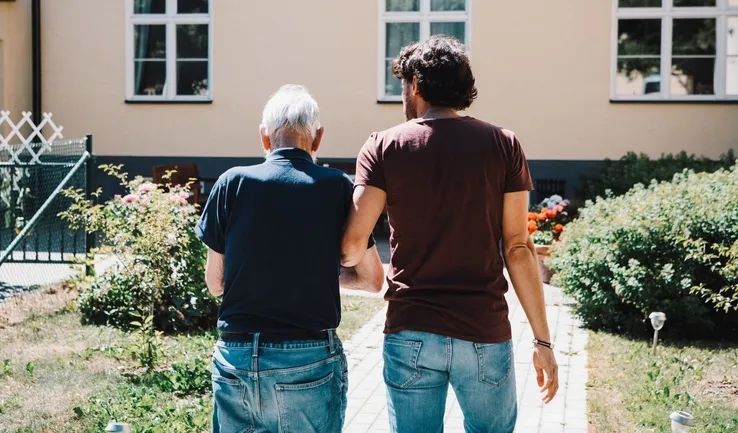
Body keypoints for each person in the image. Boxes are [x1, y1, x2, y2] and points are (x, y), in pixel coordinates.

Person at [340, 36, 558, 433]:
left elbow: (352, 245)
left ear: (417, 86)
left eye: (404, 87)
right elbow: (518, 247)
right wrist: (543, 342)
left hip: (411, 329)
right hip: (484, 332)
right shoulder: (503, 144)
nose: (402, 97)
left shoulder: (383, 146)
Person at [196, 84, 384, 433]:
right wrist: (319, 273)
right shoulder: (337, 187)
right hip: (307, 359)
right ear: (318, 139)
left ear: (264, 137)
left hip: (236, 357)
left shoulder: (230, 183)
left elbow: (216, 283)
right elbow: (373, 280)